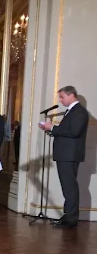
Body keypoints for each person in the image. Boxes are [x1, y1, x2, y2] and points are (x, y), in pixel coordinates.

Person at [39, 86, 88, 227]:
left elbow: (74, 132)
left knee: (69, 187)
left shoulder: (79, 111)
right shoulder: (72, 111)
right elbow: (67, 132)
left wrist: (52, 128)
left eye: (62, 97)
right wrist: (50, 130)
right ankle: (68, 216)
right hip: (66, 154)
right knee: (67, 187)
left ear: (71, 95)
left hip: (70, 155)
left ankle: (71, 219)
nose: (60, 100)